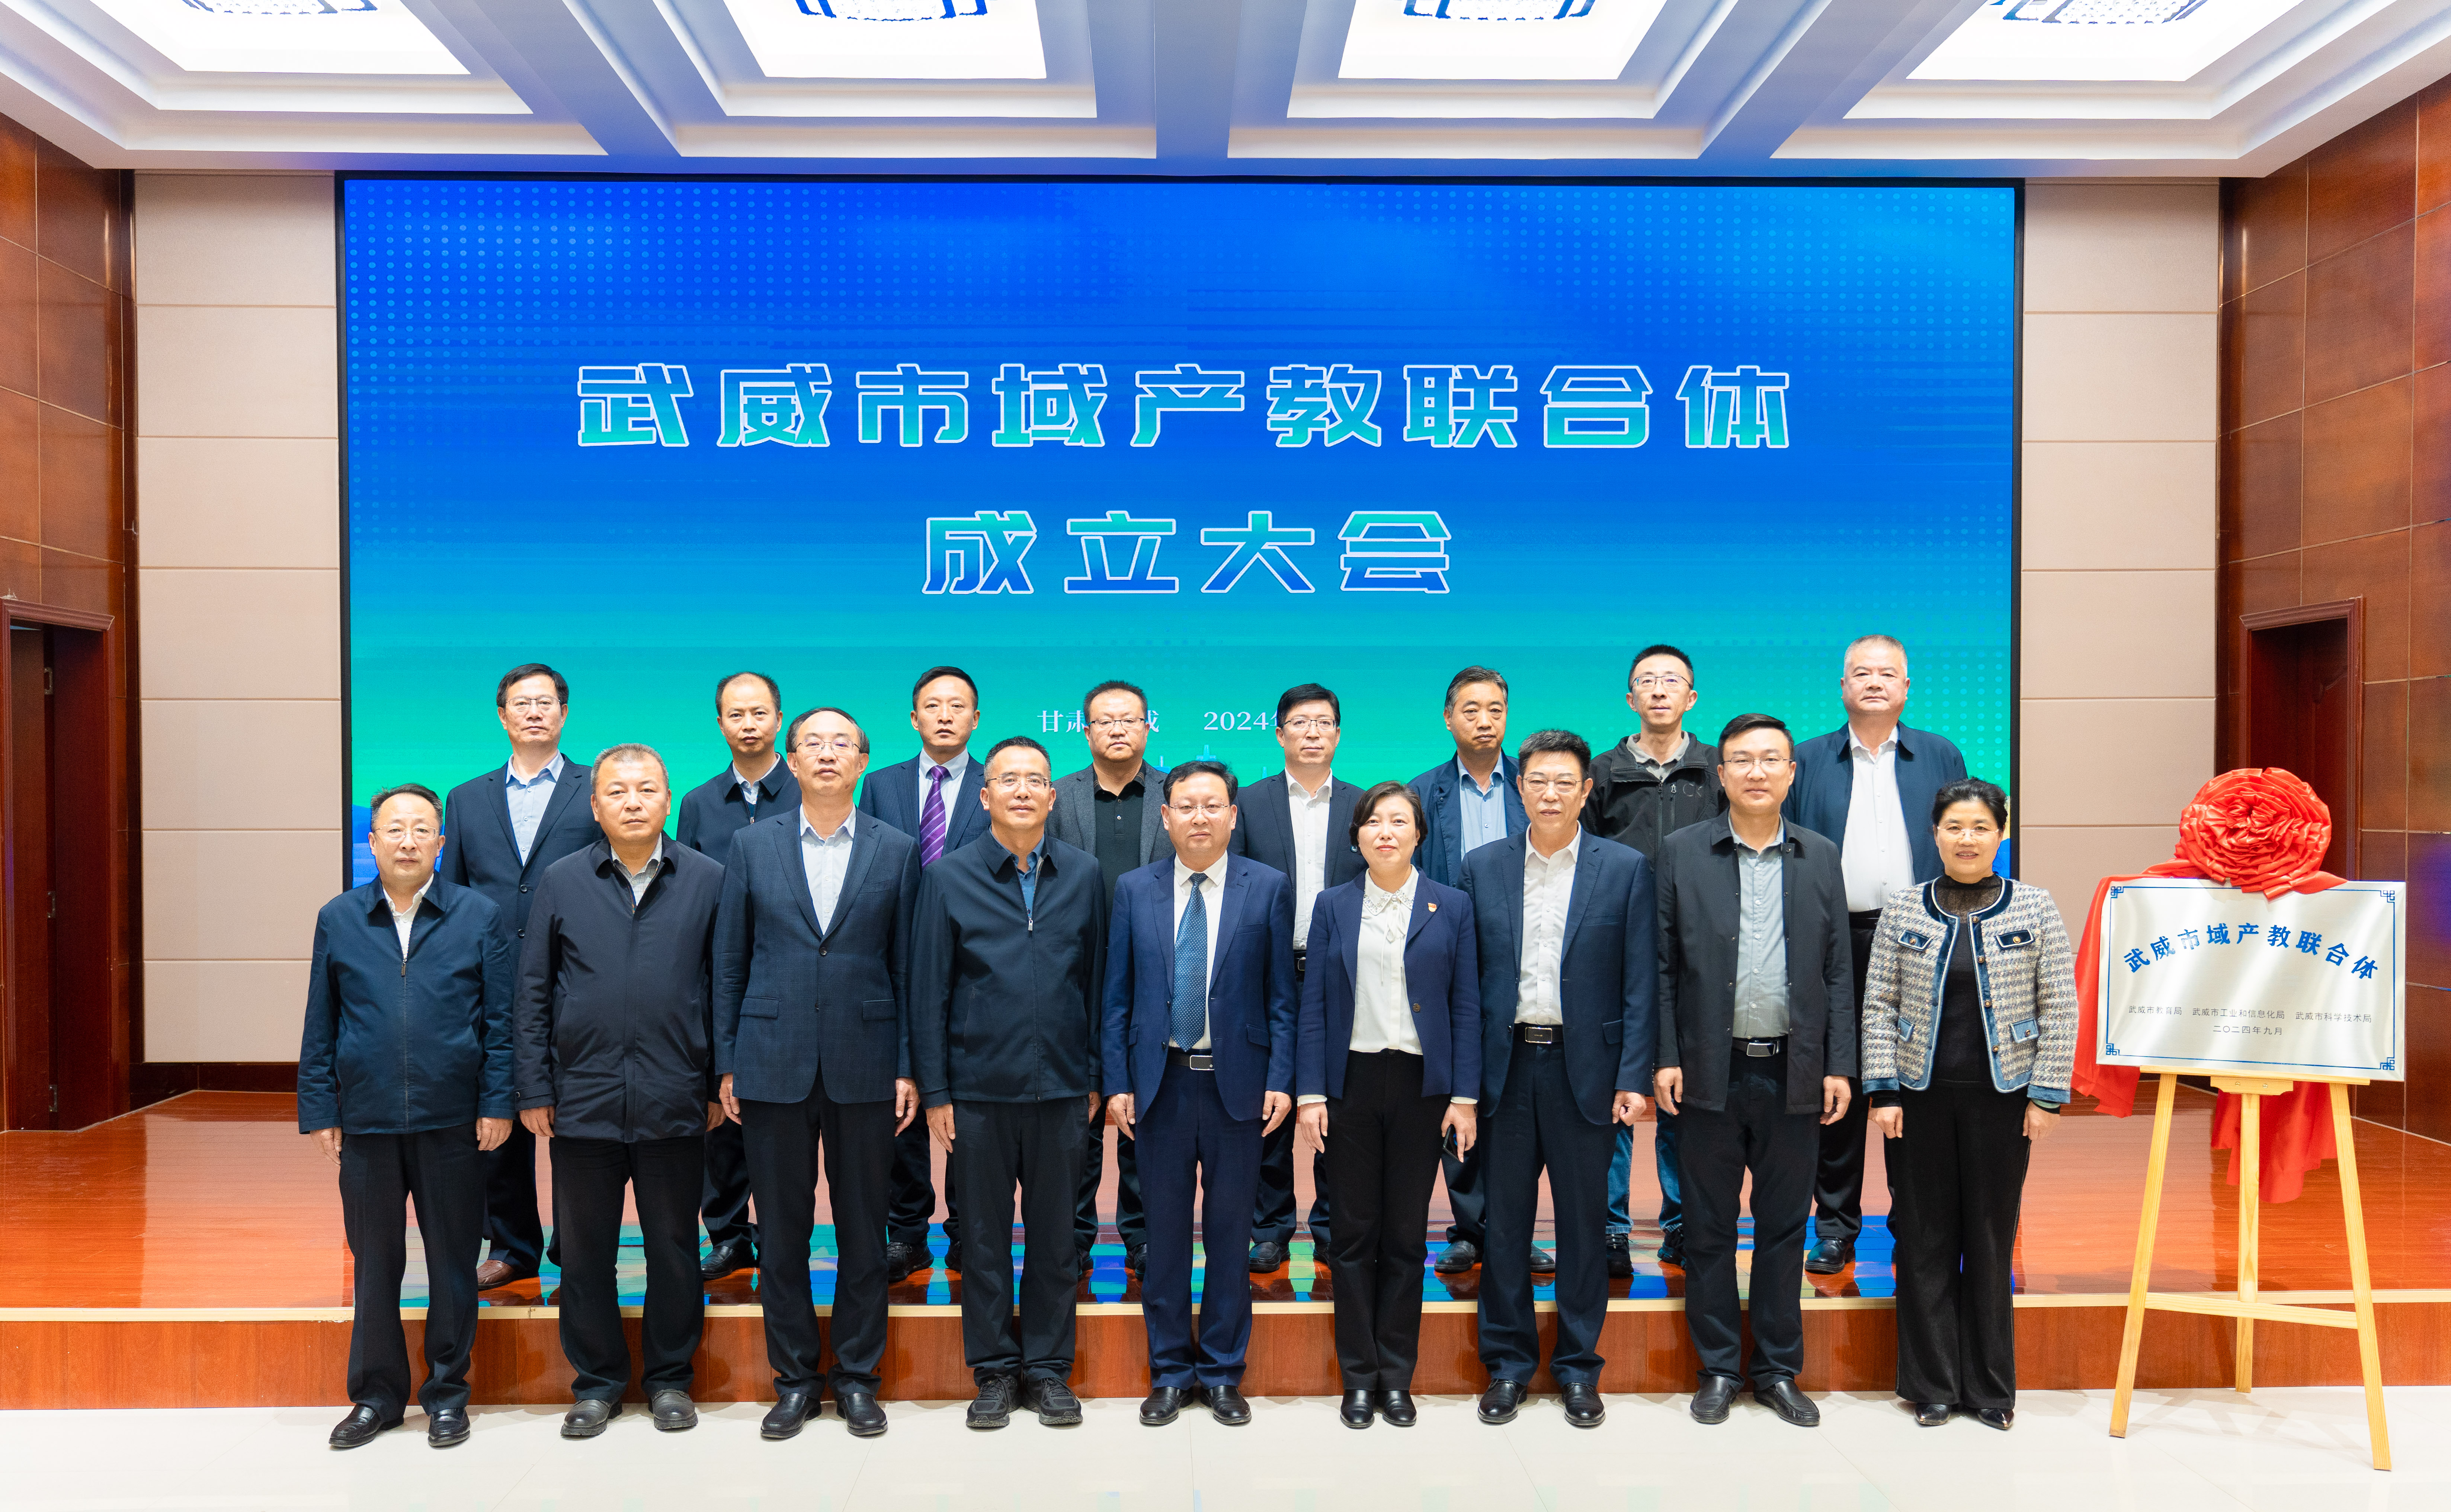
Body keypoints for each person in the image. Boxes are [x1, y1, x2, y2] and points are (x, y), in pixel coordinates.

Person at [715, 707, 922, 1442]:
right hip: (771, 1061)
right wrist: (728, 1061)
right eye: (813, 743)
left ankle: (859, 1379)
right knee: (784, 1233)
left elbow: (909, 966)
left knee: (866, 1232)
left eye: (843, 744)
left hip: (868, 1063)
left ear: (863, 761)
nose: (828, 753)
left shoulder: (897, 849)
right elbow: (730, 960)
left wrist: (908, 1066)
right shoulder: (751, 844)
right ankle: (796, 1380)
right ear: (792, 761)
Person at [513, 745, 725, 1438]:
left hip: (676, 1097)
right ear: (595, 806)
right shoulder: (562, 880)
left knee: (674, 1249)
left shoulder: (708, 879)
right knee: (584, 1253)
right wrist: (534, 1085)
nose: (633, 802)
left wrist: (717, 1082)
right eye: (617, 791)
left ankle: (669, 1380)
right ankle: (597, 1384)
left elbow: (723, 988)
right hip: (582, 1099)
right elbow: (533, 990)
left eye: (646, 789)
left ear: (668, 799)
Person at [1654, 713, 1854, 1429]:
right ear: (1722, 773)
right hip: (1709, 1072)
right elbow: (1661, 965)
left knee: (1782, 1228)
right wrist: (1666, 1056)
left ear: (1792, 773)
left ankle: (1775, 1370)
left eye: (1772, 759)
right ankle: (1717, 1369)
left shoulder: (1820, 855)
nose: (1757, 771)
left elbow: (1838, 968)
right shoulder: (1681, 853)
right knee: (1707, 1228)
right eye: (1742, 759)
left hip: (1794, 1073)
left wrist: (1838, 1063)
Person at [299, 784, 513, 1451]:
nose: (408, 841)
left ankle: (448, 1395)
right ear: (372, 842)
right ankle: (377, 1397)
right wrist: (320, 1107)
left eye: (422, 829)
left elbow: (501, 1022)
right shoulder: (339, 918)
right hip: (367, 1121)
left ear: (440, 843)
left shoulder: (478, 915)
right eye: (394, 829)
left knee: (453, 1262)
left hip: (454, 1121)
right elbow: (320, 1021)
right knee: (375, 1264)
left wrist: (497, 1102)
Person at [1862, 779, 2075, 1432]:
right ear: (1935, 835)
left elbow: (2060, 1005)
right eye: (1954, 826)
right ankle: (1930, 1386)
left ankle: (1989, 1388)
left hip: (2002, 1100)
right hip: (1917, 1099)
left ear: (2000, 835)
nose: (1967, 839)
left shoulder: (2034, 906)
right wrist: (1882, 1090)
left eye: (1981, 827)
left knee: (1989, 1239)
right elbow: (1879, 1003)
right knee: (1923, 1239)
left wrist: (2046, 1096)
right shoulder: (1904, 908)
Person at [910, 736, 1108, 1431]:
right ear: (985, 794)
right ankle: (994, 1371)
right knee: (985, 1239)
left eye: (1035, 780)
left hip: (1064, 1091)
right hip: (977, 1094)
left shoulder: (1083, 874)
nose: (1022, 791)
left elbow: (1099, 984)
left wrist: (1095, 1077)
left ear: (1053, 796)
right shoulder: (948, 877)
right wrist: (937, 1093)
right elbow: (928, 992)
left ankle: (1049, 1370)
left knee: (1057, 1238)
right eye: (1008, 780)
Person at [1463, 731, 1657, 1429]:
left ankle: (1578, 1368)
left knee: (1583, 1227)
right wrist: (1463, 1085)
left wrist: (1633, 1075)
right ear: (1520, 789)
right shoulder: (1482, 867)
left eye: (1564, 783)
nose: (1550, 794)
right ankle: (1508, 1367)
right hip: (1507, 1069)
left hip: (1589, 1072)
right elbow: (1465, 985)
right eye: (1538, 781)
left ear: (1586, 791)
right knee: (1505, 1227)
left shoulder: (1625, 868)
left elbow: (1641, 980)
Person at [1103, 760, 1297, 1426]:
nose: (1199, 818)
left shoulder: (1266, 887)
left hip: (1238, 1088)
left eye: (1213, 805)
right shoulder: (1135, 889)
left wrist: (1281, 1078)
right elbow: (1117, 998)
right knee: (1163, 1238)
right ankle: (1168, 1372)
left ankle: (1220, 1372)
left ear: (1233, 816)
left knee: (1229, 1236)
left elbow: (1282, 998)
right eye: (1186, 806)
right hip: (1159, 1085)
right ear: (1166, 817)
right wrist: (1118, 1082)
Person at [1295, 782, 1480, 1431]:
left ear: (1418, 834)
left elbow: (1466, 1005)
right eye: (1374, 822)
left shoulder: (1451, 905)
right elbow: (1314, 1005)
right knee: (1352, 1235)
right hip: (1349, 1083)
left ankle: (1396, 1377)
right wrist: (1311, 1094)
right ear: (1357, 836)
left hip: (1421, 1087)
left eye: (1399, 821)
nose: (1386, 832)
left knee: (1405, 1236)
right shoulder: (1333, 905)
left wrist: (1464, 1097)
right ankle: (1358, 1378)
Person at [1784, 635, 1969, 1275]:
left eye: (1887, 674)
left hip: (1921, 940)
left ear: (1906, 687)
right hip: (1834, 940)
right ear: (1843, 686)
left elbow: (1964, 839)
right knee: (1839, 1080)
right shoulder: (1808, 759)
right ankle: (1835, 1227)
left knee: (1912, 1083)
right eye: (1861, 673)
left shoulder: (1940, 754)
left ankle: (1912, 1223)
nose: (1874, 682)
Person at [439, 664, 603, 1291]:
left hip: (581, 977)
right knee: (501, 1116)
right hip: (494, 983)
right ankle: (512, 1246)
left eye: (545, 702)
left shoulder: (596, 787)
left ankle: (574, 1241)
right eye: (521, 703)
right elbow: (451, 896)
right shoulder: (466, 797)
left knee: (576, 1117)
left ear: (564, 713)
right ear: (503, 716)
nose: (534, 712)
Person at [1582, 645, 1724, 1276]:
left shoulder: (1718, 769)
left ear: (1691, 697)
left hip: (1697, 951)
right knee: (1613, 1090)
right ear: (1631, 698)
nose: (1659, 690)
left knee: (1680, 1091)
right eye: (1647, 681)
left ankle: (1682, 1223)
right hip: (1614, 948)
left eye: (1672, 681)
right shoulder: (1601, 772)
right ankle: (1610, 1227)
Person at [858, 666, 988, 1282]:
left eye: (957, 706)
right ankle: (907, 1233)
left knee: (968, 1100)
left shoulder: (995, 783)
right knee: (902, 1096)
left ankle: (967, 1229)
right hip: (892, 960)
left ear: (975, 720)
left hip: (972, 964)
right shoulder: (879, 785)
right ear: (914, 719)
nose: (944, 715)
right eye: (933, 706)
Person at [1229, 683, 1364, 1272]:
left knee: (1340, 1099)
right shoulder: (1247, 803)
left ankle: (1334, 1224)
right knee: (1270, 1098)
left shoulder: (1363, 805)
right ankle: (1271, 1226)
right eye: (1301, 722)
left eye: (1324, 722)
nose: (1313, 732)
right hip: (1266, 971)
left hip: (1341, 975)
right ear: (1279, 733)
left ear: (1338, 734)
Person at [1407, 666, 1535, 1279]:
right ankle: (1467, 1227)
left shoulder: (1532, 785)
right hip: (1450, 960)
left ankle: (1512, 1231)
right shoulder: (1423, 792)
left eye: (1495, 710)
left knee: (1513, 1104)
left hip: (1523, 959)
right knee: (1457, 1092)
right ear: (1448, 718)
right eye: (1471, 710)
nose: (1485, 721)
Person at [675, 670, 800, 1283]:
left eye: (759, 713)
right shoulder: (698, 802)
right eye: (736, 714)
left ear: (779, 718)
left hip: (792, 972)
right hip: (719, 973)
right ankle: (728, 1234)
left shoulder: (808, 790)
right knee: (722, 1110)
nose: (748, 725)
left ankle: (781, 1234)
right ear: (720, 723)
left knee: (786, 1117)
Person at [1047, 678, 1173, 1279]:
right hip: (1073, 974)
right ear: (1086, 730)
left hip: (1156, 974)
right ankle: (1072, 1237)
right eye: (1105, 720)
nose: (1118, 729)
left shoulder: (1176, 795)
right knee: (1080, 1113)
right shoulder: (1058, 797)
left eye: (1129, 719)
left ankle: (1143, 1236)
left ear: (1148, 727)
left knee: (1145, 1108)